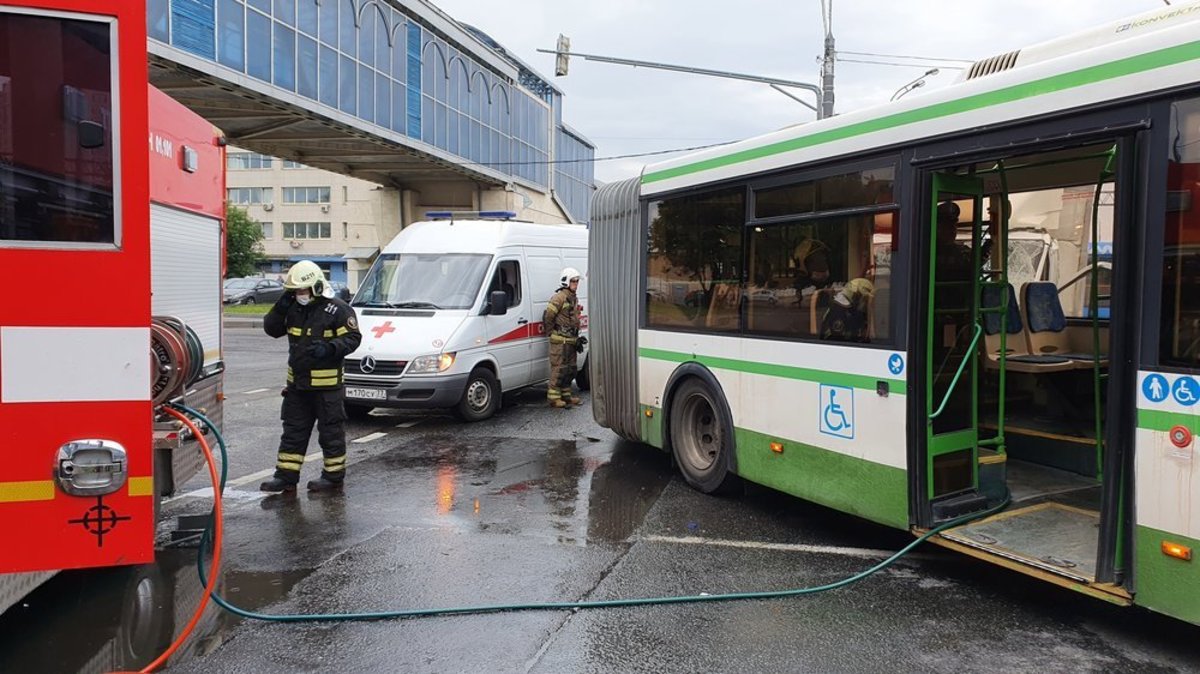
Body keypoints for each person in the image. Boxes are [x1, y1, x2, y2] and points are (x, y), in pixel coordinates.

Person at [259, 260, 362, 493]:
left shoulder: (337, 309)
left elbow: (353, 339)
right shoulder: (293, 308)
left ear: (316, 287)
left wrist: (330, 348)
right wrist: (281, 306)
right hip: (298, 386)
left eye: (302, 290)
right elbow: (272, 329)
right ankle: (285, 478)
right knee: (293, 433)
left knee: (330, 434)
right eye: (295, 291)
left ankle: (333, 478)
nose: (299, 294)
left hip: (327, 389)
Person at [543, 267, 584, 408]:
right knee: (559, 369)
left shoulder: (573, 298)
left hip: (571, 340)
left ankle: (566, 395)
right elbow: (548, 316)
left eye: (577, 281)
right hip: (560, 341)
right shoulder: (559, 298)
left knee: (570, 369)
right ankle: (554, 398)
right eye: (573, 281)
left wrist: (577, 338)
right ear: (566, 281)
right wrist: (551, 333)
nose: (576, 284)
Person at [820, 277, 875, 343]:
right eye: (865, 299)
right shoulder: (838, 311)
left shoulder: (853, 311)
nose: (865, 302)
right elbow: (837, 338)